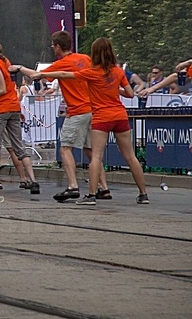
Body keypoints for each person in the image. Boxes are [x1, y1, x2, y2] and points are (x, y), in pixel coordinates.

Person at [35, 37, 149, 205]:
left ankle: (91, 195)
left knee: (95, 156)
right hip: (120, 116)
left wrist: (43, 74)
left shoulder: (92, 72)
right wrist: (113, 89)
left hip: (102, 117)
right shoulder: (118, 72)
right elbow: (130, 94)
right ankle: (143, 194)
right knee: (131, 156)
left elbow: (65, 74)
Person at [11, 30, 102, 202]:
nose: (53, 49)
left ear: (58, 46)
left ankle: (73, 186)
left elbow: (36, 75)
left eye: (53, 46)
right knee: (92, 152)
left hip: (76, 111)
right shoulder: (85, 59)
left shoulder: (63, 63)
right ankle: (103, 188)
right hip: (92, 109)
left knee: (65, 148)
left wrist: (19, 68)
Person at [0, 37, 40, 195]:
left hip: (0, 108)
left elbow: (1, 89)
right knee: (19, 146)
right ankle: (33, 181)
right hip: (14, 107)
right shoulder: (4, 61)